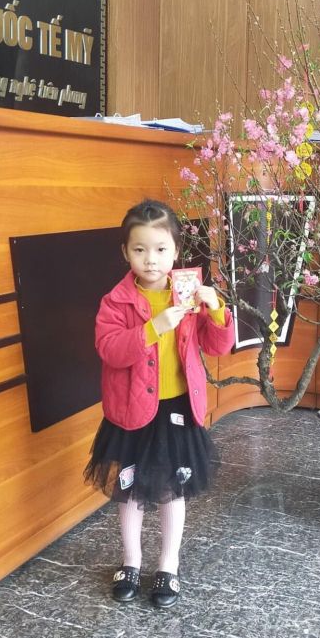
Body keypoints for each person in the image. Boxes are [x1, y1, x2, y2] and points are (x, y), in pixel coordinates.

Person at [84, 199, 234, 609]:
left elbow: (217, 346)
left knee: (173, 490)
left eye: (161, 249)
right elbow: (110, 350)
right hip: (131, 413)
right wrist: (152, 328)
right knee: (129, 489)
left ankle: (169, 564)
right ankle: (131, 561)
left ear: (176, 251)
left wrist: (216, 309)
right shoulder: (116, 301)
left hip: (177, 410)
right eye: (140, 249)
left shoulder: (186, 295)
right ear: (125, 252)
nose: (151, 259)